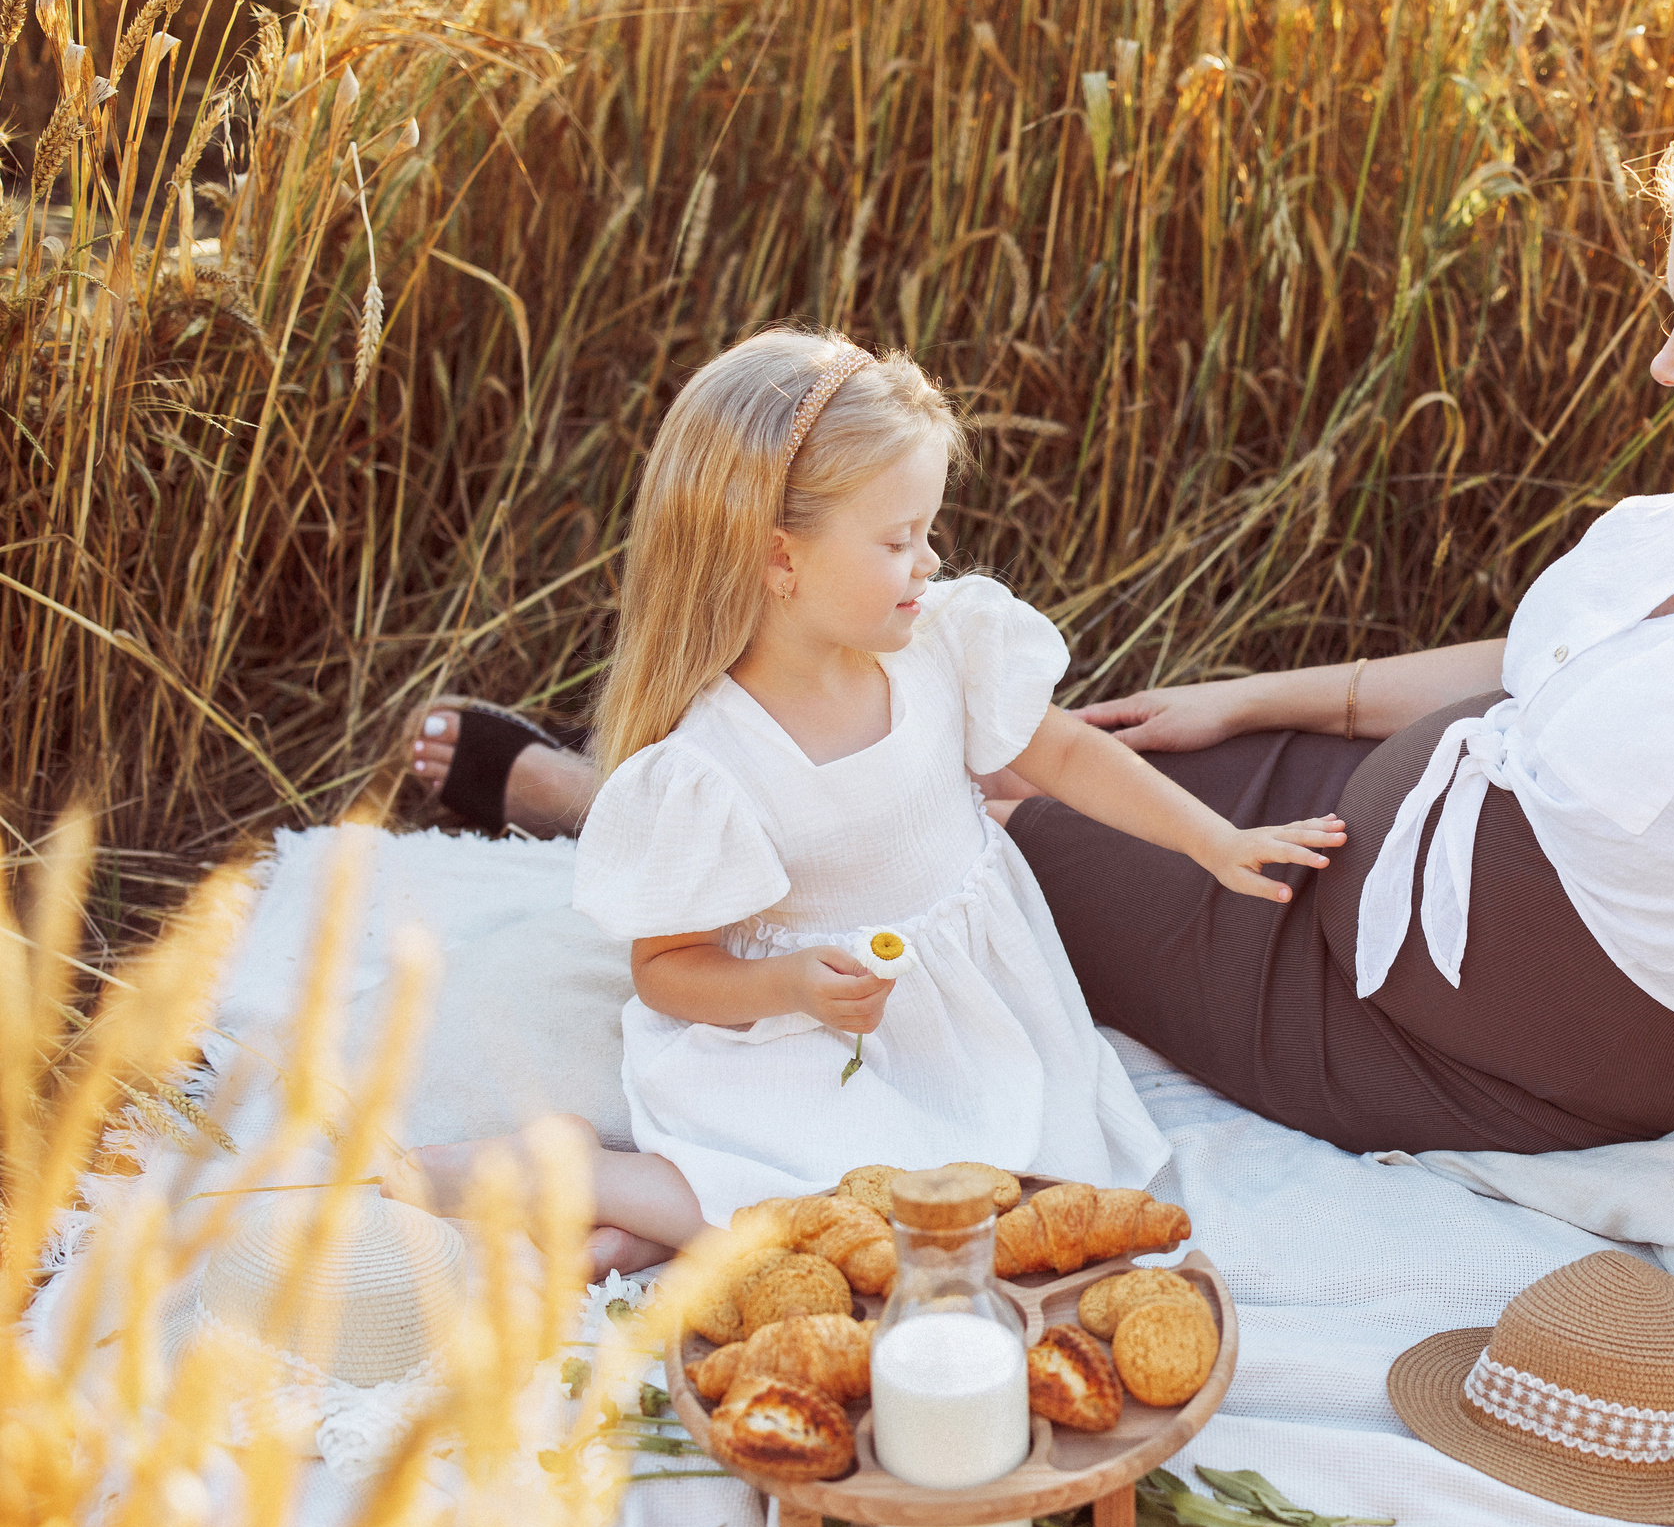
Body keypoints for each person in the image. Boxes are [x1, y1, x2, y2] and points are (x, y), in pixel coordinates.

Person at [404, 106, 1674, 1506]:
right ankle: (618, 796)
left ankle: (574, 799)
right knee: (1073, 767)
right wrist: (1260, 696)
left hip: (1429, 1008)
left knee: (968, 821)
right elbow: (1532, 668)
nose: (1663, 362)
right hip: (1380, 828)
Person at [391, 330, 1342, 1269]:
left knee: (1005, 1208)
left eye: (927, 531)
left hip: (967, 1018)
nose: (930, 562)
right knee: (889, 1230)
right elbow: (669, 970)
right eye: (897, 540)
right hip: (810, 1036)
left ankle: (675, 1217)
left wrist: (1214, 840)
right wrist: (793, 983)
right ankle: (573, 1172)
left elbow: (1062, 752)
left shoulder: (937, 643)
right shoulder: (713, 762)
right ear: (778, 560)